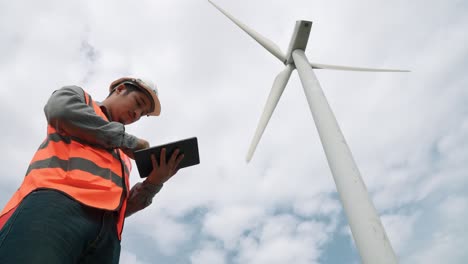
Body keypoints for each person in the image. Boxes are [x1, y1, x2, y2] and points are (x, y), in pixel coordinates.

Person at [0, 77, 184, 263]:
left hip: (107, 235)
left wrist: (154, 183)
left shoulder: (123, 156)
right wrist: (129, 141)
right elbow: (60, 110)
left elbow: (120, 207)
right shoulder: (80, 99)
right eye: (138, 103)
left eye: (142, 113)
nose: (136, 114)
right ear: (120, 89)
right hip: (56, 205)